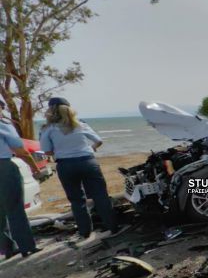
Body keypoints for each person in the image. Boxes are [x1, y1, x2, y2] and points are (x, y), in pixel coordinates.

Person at [40, 97, 121, 240]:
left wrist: (60, 149)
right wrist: (91, 148)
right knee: (100, 196)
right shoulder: (80, 124)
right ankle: (113, 227)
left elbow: (47, 151)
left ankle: (85, 232)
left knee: (77, 200)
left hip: (65, 165)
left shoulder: (47, 129)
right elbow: (98, 141)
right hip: (87, 162)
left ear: (50, 110)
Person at [0, 97, 43, 259]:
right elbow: (21, 151)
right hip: (3, 167)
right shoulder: (3, 125)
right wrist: (34, 166)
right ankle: (27, 247)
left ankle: (7, 248)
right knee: (15, 208)